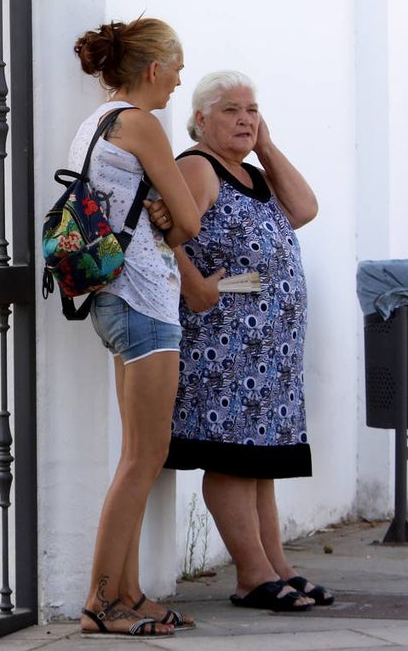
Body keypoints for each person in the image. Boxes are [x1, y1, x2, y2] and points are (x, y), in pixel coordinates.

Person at [163, 70, 332, 611]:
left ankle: (276, 566)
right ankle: (251, 576)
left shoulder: (254, 173)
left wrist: (267, 145)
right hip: (226, 346)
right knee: (234, 459)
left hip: (270, 352)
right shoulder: (197, 167)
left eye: (252, 110)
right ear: (200, 119)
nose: (245, 119)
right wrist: (195, 286)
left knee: (260, 464)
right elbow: (164, 234)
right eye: (231, 110)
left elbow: (304, 209)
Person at [71, 18, 201, 638]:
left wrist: (160, 213)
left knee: (136, 455)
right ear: (153, 69)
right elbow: (190, 222)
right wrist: (170, 216)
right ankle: (101, 602)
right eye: (176, 67)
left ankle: (128, 592)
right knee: (143, 458)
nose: (179, 80)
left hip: (114, 297)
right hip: (144, 300)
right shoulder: (142, 124)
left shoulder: (96, 124)